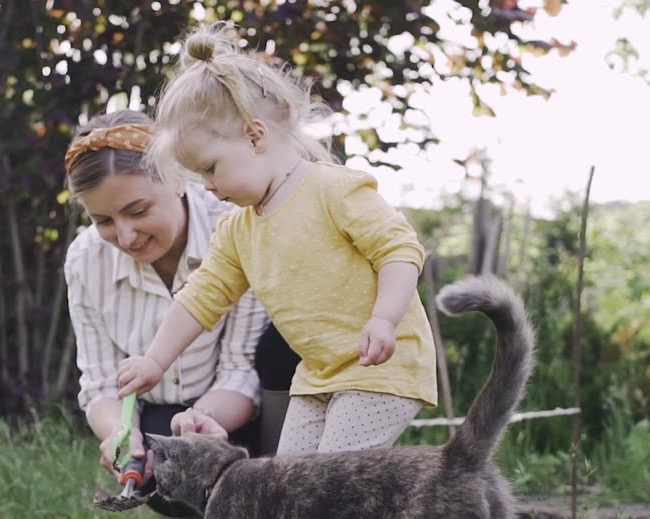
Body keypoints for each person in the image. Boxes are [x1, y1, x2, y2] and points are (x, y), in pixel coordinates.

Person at [117, 23, 438, 455]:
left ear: (254, 136)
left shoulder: (333, 190)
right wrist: (155, 361)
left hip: (382, 366)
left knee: (328, 485)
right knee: (290, 487)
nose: (208, 185)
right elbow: (200, 297)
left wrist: (384, 318)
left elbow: (399, 250)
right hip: (318, 375)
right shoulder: (238, 229)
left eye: (211, 167)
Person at [63, 109, 298, 519]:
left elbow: (241, 368)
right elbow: (98, 384)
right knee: (164, 458)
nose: (127, 235)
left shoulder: (233, 230)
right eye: (105, 221)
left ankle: (283, 495)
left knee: (285, 347)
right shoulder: (85, 261)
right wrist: (122, 433)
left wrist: (201, 422)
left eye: (137, 210)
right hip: (159, 415)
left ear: (176, 178)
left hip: (239, 413)